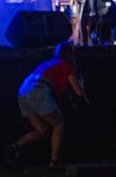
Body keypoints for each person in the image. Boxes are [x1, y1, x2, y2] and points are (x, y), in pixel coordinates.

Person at [6, 39, 85, 170]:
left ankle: (13, 148)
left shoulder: (48, 63)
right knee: (59, 125)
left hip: (23, 91)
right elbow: (79, 92)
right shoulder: (66, 66)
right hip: (39, 91)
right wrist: (81, 82)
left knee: (42, 130)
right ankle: (54, 163)